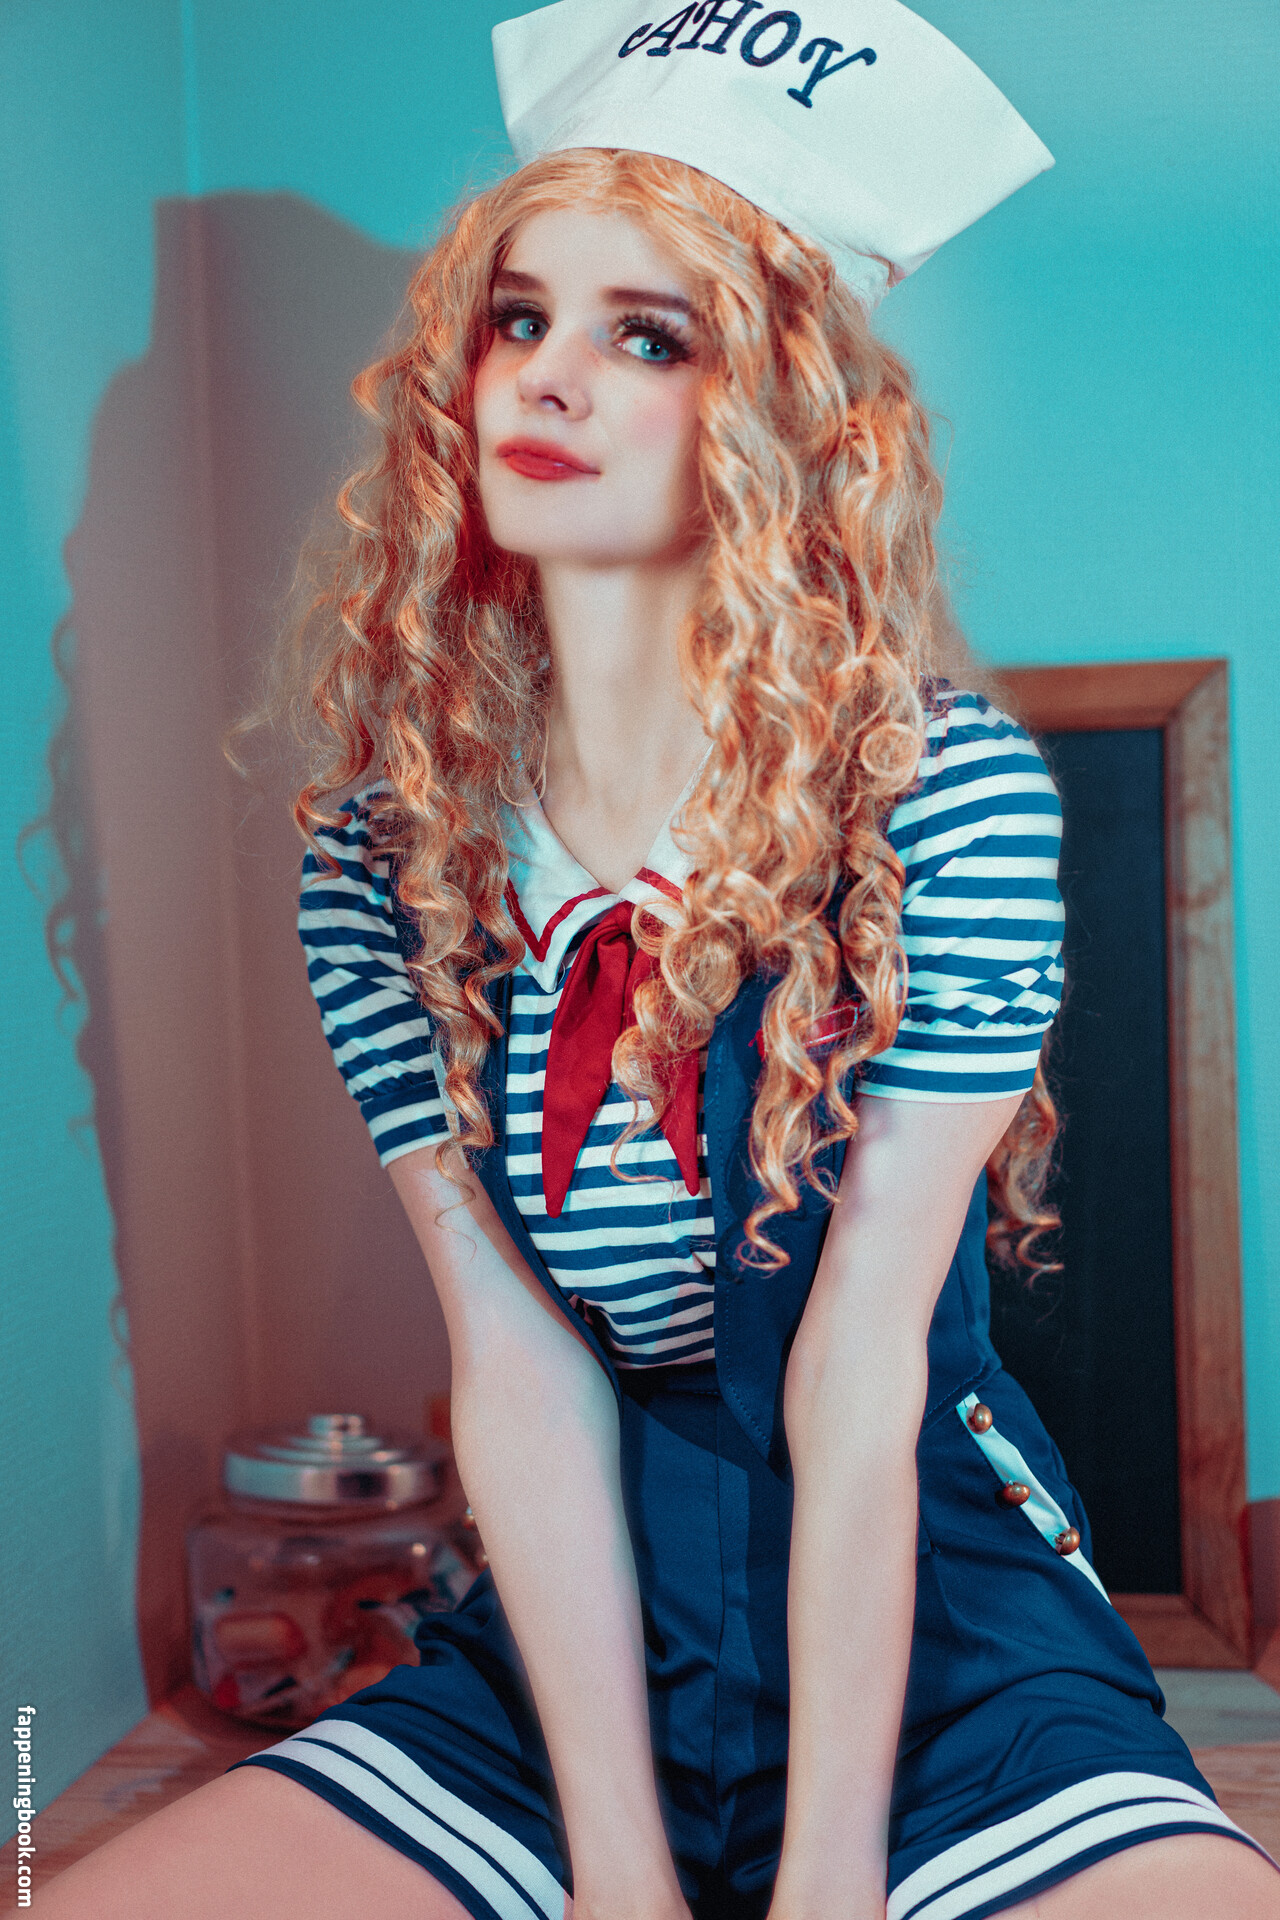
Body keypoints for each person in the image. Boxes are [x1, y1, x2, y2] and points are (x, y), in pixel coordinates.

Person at [29, 3, 1280, 1917]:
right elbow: (518, 1369)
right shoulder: (384, 860)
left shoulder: (938, 803)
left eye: (646, 335)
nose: (547, 377)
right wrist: (621, 1877)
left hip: (936, 1633)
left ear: (776, 417)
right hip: (572, 1645)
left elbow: (858, 1367)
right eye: (518, 319)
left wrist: (829, 1888)